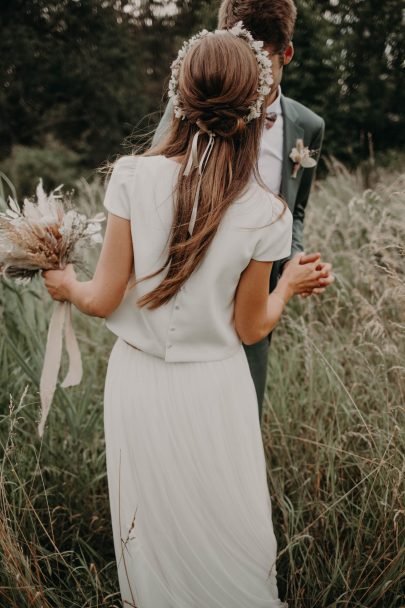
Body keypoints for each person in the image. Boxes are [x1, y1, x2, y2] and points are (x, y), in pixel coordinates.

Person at [42, 25, 328, 608]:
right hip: (218, 387)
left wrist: (65, 283)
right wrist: (290, 286)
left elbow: (101, 298)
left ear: (181, 96)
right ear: (255, 103)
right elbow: (252, 328)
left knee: (151, 533)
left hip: (139, 383)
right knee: (226, 523)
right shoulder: (267, 213)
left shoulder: (132, 176)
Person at [153, 0, 334, 421]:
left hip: (259, 284)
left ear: (286, 53)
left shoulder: (308, 126)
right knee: (179, 409)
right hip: (190, 278)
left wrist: (294, 263)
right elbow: (159, 180)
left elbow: (296, 210)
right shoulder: (192, 105)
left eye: (262, 60)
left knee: (243, 408)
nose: (248, 71)